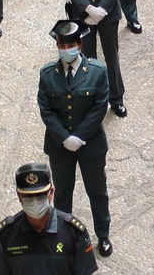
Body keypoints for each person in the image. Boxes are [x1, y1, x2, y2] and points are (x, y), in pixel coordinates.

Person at [39, 19, 113, 257]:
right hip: (60, 146)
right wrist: (64, 138)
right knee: (63, 193)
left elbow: (99, 107)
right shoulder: (48, 74)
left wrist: (79, 136)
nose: (66, 50)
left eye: (70, 45)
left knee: (97, 191)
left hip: (90, 144)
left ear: (79, 45)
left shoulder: (97, 71)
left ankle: (103, 234)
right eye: (62, 46)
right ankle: (64, 238)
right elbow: (46, 109)